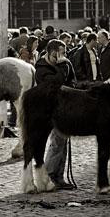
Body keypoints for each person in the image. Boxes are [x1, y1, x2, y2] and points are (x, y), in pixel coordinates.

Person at [34, 39, 76, 190]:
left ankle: (59, 177)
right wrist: (62, 66)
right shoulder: (41, 68)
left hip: (65, 108)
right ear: (52, 53)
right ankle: (48, 176)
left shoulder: (65, 64)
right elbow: (56, 83)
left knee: (63, 143)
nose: (64, 57)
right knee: (57, 142)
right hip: (49, 110)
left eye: (64, 53)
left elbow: (72, 82)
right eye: (61, 54)